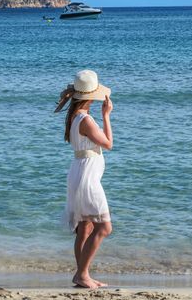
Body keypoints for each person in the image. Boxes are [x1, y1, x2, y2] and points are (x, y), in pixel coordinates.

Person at [54, 70, 114, 289]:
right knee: (104, 228)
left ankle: (83, 275)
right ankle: (81, 275)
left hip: (79, 172)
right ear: (92, 96)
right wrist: (106, 115)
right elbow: (108, 144)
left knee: (85, 227)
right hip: (86, 177)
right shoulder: (86, 120)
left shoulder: (74, 116)